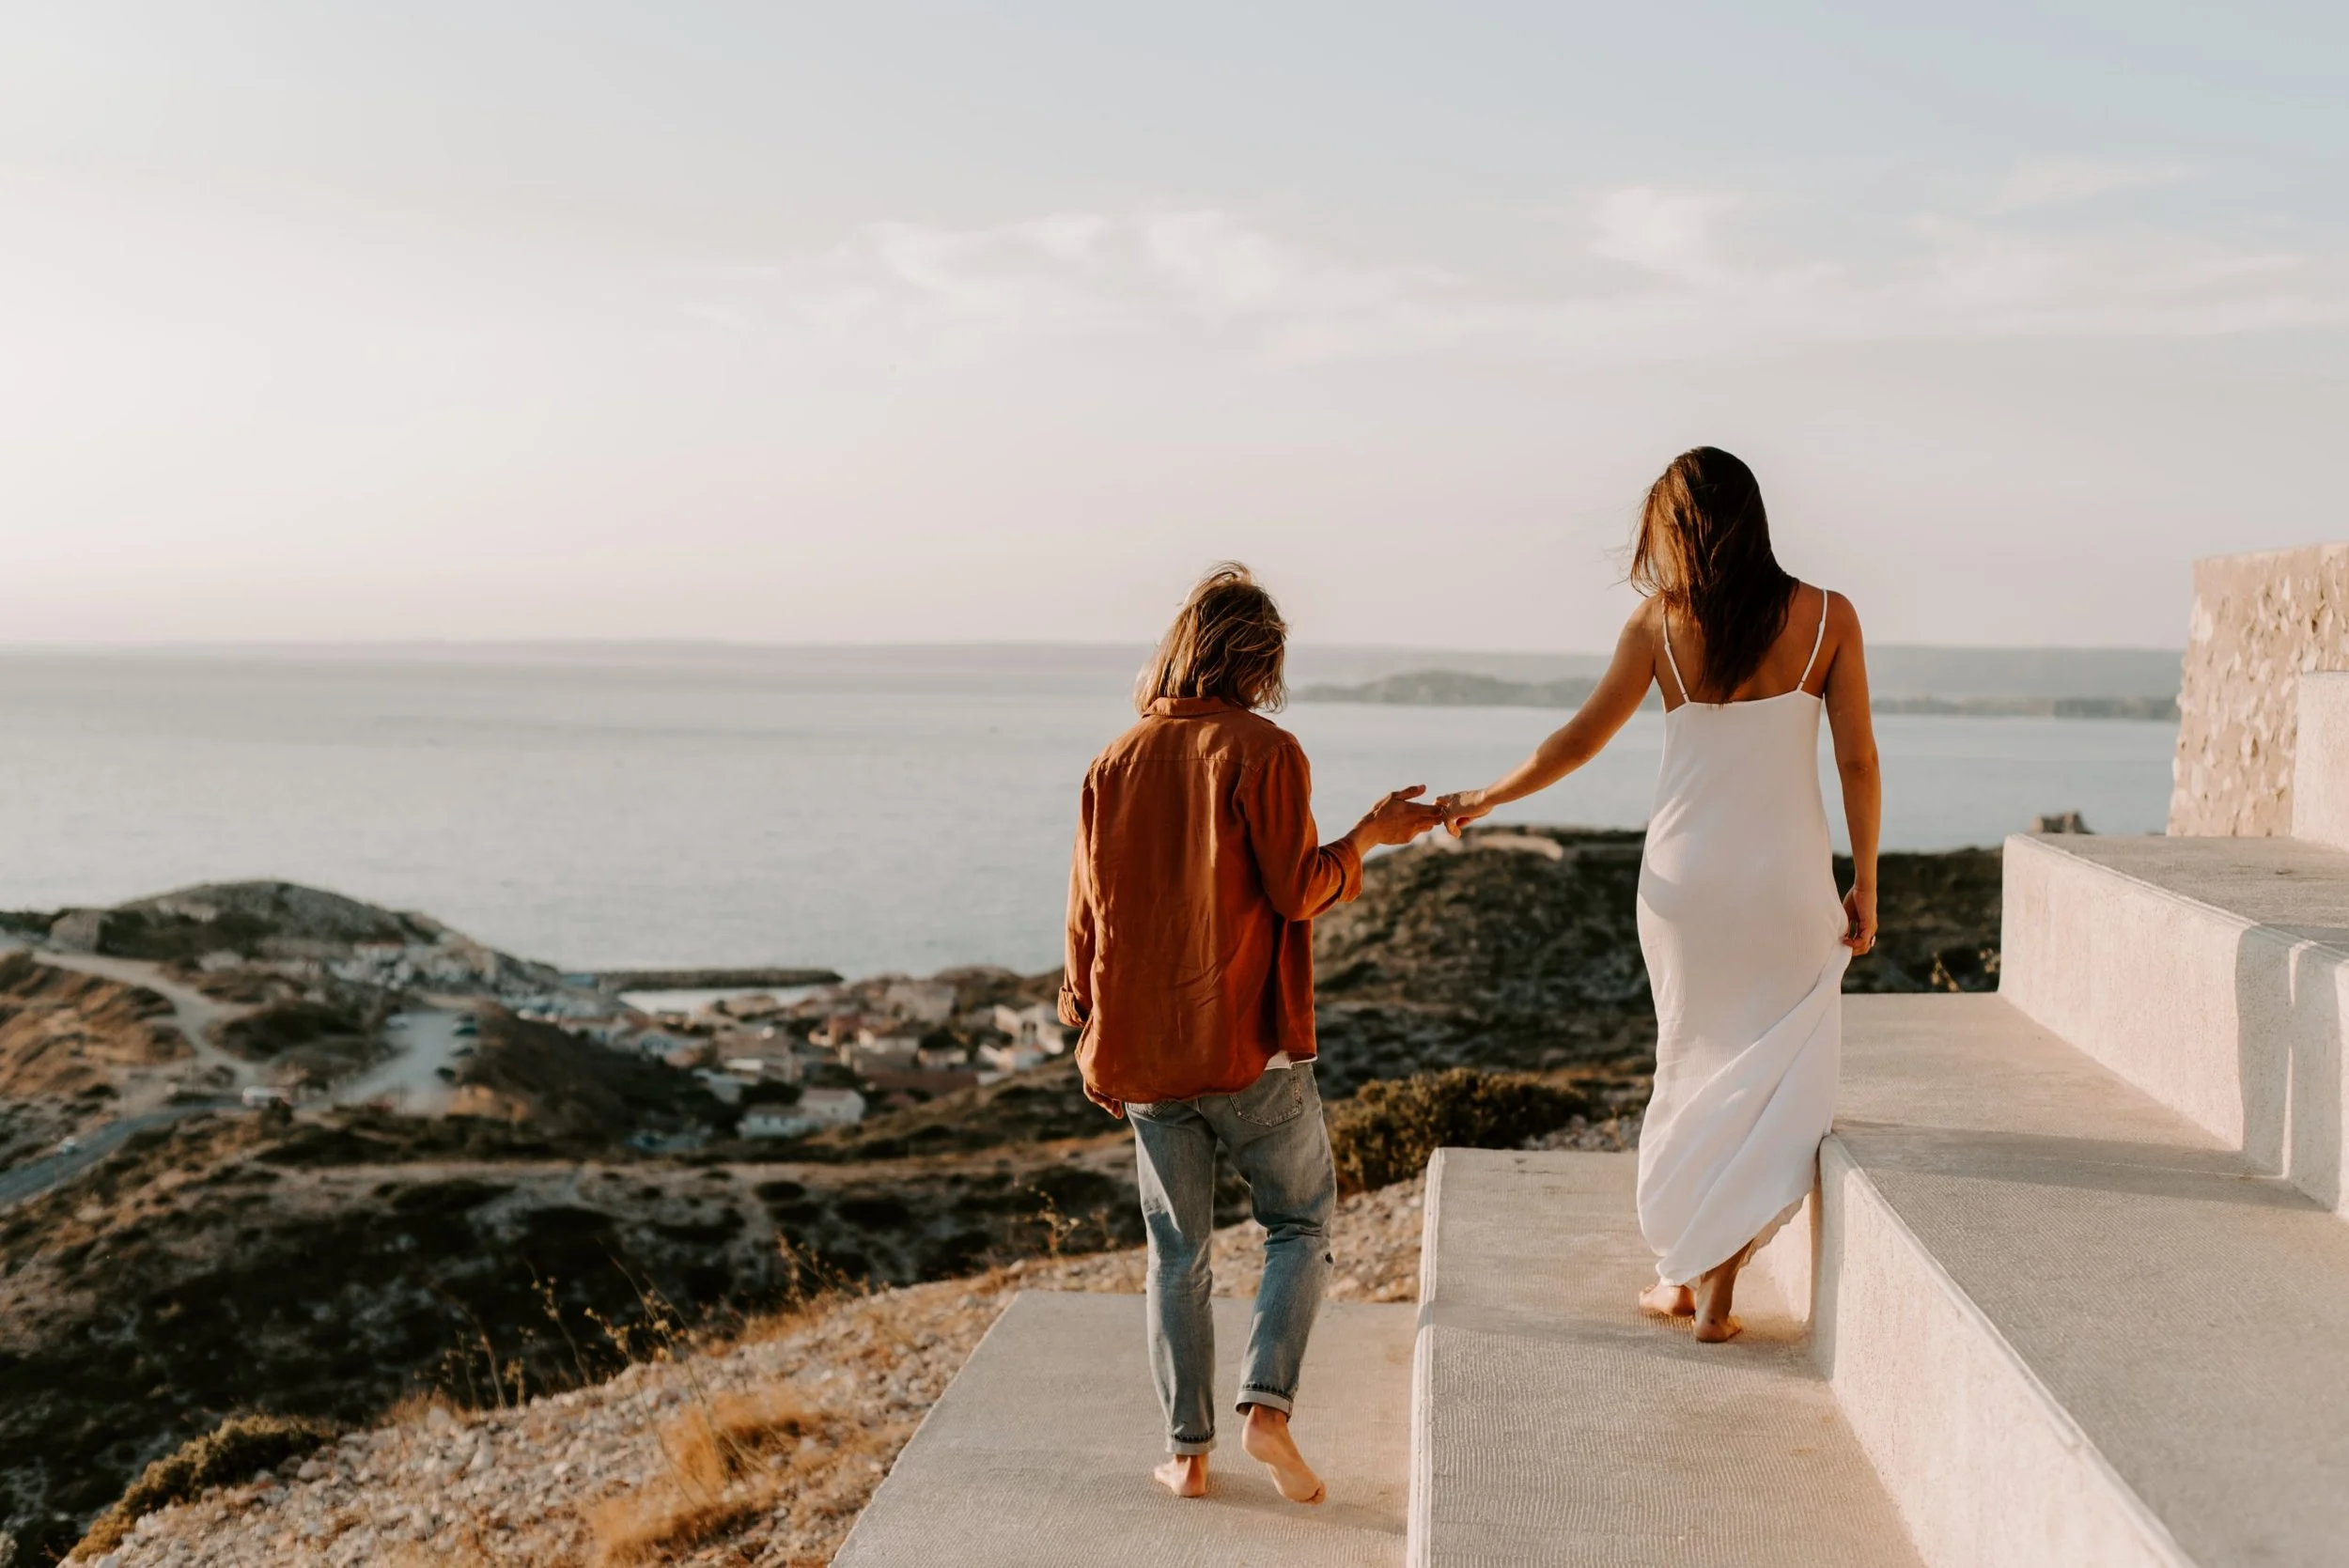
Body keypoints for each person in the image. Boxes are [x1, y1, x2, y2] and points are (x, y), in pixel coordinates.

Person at [1437, 447, 1881, 1343]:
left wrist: (1486, 796)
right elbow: (1857, 759)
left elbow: (1579, 739)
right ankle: (1710, 1284)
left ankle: (1684, 1275)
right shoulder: (1831, 617)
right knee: (1775, 1080)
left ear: (1676, 531)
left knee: (1689, 1061)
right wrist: (1866, 876)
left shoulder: (1658, 627)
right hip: (1787, 882)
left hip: (1684, 885)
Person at [1059, 563, 1443, 1500]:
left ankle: (1187, 1454)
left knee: (1177, 1252)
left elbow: (1085, 921)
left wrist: (1088, 1026)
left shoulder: (1111, 761)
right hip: (1251, 1054)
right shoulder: (1266, 752)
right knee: (1299, 1221)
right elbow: (1298, 888)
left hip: (1146, 1056)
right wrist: (1370, 836)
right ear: (1259, 661)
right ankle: (1266, 1410)